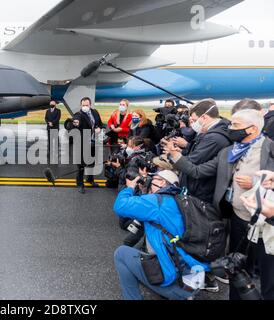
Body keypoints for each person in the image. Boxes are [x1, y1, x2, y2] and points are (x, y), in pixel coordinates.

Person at [165, 109, 274, 300]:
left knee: (269, 279)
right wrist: (176, 156)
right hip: (238, 219)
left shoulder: (270, 149)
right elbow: (197, 171)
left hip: (266, 225)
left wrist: (257, 183)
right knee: (236, 270)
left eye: (235, 125)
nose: (230, 128)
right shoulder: (228, 152)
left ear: (253, 129)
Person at [113, 170, 209, 300]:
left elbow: (120, 206)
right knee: (145, 250)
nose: (150, 181)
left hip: (178, 285)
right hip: (195, 278)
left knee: (121, 253)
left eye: (154, 179)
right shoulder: (184, 201)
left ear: (163, 182)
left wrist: (130, 187)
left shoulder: (156, 203)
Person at [167, 99, 232, 203]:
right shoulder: (211, 132)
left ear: (204, 117)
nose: (193, 124)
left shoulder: (213, 138)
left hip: (201, 191)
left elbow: (193, 162)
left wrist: (174, 155)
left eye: (194, 120)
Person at [72, 97, 104, 194]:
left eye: (87, 105)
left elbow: (100, 123)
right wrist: (75, 123)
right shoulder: (79, 114)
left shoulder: (95, 112)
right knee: (81, 165)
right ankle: (80, 184)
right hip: (82, 142)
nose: (85, 106)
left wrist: (99, 128)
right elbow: (75, 122)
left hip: (93, 141)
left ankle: (90, 180)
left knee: (91, 162)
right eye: (83, 105)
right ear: (81, 105)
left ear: (90, 105)